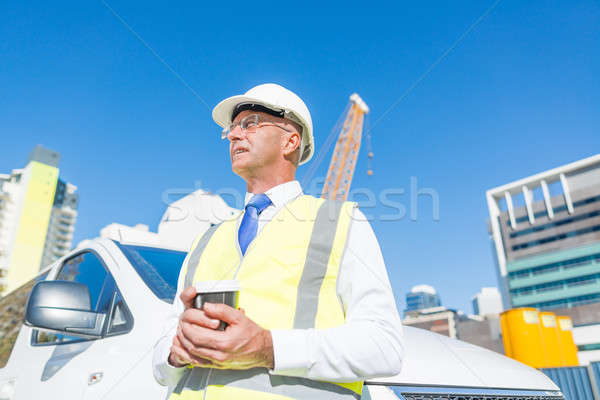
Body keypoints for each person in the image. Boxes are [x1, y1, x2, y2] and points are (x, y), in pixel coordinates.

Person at [153, 83, 404, 399]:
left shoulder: (339, 223)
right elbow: (160, 363)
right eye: (231, 129)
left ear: (291, 141)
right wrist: (176, 352)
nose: (233, 135)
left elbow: (384, 347)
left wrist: (267, 348)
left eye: (250, 124)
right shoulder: (205, 240)